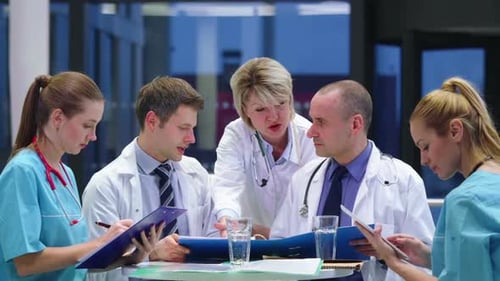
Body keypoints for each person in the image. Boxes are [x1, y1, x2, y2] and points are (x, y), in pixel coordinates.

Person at [0, 72, 162, 281]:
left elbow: (75, 264)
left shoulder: (66, 175)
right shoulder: (22, 171)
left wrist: (133, 255)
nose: (93, 136)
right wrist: (96, 245)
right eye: (87, 125)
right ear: (57, 118)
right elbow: (25, 262)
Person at [270, 80, 435, 281]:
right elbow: (278, 248)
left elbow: (425, 266)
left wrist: (385, 257)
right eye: (312, 120)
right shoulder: (303, 180)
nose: (310, 132)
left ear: (355, 124)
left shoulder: (402, 181)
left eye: (320, 122)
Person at [357, 77, 500, 281]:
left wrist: (394, 262)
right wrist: (428, 257)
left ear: (455, 131)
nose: (423, 160)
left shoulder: (465, 201)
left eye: (426, 146)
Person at [82, 76, 217, 281]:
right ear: (152, 121)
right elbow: (96, 274)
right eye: (183, 128)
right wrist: (149, 255)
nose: (192, 138)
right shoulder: (105, 185)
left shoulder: (196, 173)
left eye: (193, 128)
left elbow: (212, 244)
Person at [212, 57, 318, 238]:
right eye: (261, 109)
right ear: (244, 109)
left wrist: (269, 234)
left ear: (290, 100)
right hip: (249, 244)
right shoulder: (236, 136)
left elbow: (315, 206)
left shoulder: (309, 138)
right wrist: (228, 221)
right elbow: (227, 187)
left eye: (280, 104)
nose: (273, 116)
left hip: (299, 247)